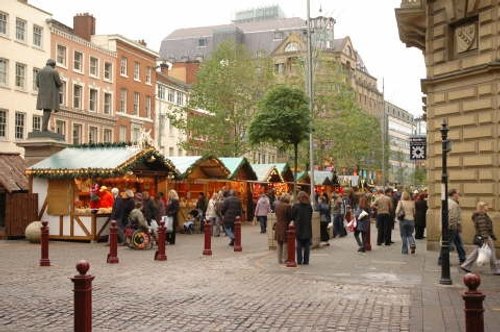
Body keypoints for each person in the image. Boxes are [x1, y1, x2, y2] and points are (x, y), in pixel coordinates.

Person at [461, 202, 500, 274]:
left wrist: (492, 236)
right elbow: (483, 228)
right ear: (482, 207)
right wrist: (486, 238)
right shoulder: (481, 216)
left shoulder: (483, 215)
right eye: (486, 206)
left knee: (476, 252)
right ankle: (495, 269)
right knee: (492, 252)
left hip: (482, 236)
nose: (488, 207)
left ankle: (465, 265)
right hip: (485, 237)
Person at [438, 189, 466, 265]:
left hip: (449, 227)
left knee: (458, 243)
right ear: (453, 194)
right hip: (451, 227)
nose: (458, 195)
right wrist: (453, 226)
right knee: (447, 244)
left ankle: (462, 258)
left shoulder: (446, 202)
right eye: (457, 193)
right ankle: (442, 260)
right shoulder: (453, 204)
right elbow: (452, 218)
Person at [36, 59, 63, 132]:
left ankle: (44, 128)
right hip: (50, 94)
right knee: (47, 110)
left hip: (42, 95)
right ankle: (44, 128)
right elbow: (59, 83)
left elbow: (37, 84)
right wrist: (62, 82)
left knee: (46, 111)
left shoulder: (40, 71)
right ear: (53, 65)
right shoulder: (54, 71)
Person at [292, 191, 313, 265]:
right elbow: (310, 216)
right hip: (307, 227)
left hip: (299, 227)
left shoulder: (296, 206)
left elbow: (293, 216)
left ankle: (299, 260)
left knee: (299, 245)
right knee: (307, 245)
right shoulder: (309, 206)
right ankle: (306, 260)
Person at [274, 193, 292, 264]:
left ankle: (279, 259)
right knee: (285, 242)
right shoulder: (288, 206)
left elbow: (276, 215)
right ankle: (285, 259)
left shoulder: (277, 206)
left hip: (278, 225)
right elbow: (290, 217)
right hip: (285, 225)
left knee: (279, 243)